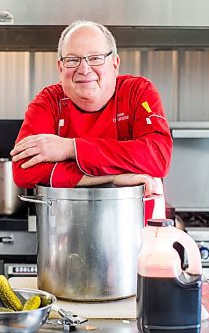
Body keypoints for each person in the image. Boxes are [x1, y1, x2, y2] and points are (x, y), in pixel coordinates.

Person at [10, 20, 172, 218]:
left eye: (95, 58)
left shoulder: (138, 92)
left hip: (138, 233)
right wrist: (115, 177)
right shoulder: (48, 102)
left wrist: (71, 148)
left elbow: (157, 156)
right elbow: (24, 171)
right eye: (72, 60)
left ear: (115, 64)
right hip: (65, 233)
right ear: (60, 67)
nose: (84, 69)